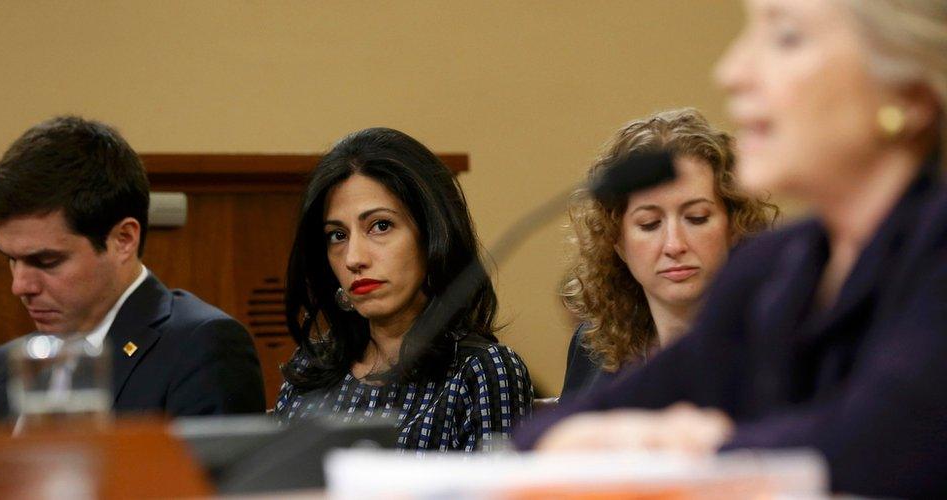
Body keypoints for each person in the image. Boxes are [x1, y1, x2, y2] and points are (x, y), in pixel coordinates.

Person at [518, 0, 947, 497]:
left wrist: (701, 449)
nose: (732, 71)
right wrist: (646, 439)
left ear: (910, 95)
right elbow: (544, 436)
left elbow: (882, 451)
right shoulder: (774, 272)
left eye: (786, 36)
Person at [0, 116, 265, 419]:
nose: (20, 286)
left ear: (123, 239)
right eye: (11, 259)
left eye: (46, 261)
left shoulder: (201, 348)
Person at [274, 127, 532, 451]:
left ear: (433, 235)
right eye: (337, 235)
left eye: (380, 226)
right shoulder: (309, 369)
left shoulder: (481, 371)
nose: (354, 258)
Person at [560, 109, 776, 399]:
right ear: (616, 240)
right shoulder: (592, 349)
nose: (674, 245)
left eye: (697, 218)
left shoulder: (776, 343)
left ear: (735, 227)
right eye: (650, 224)